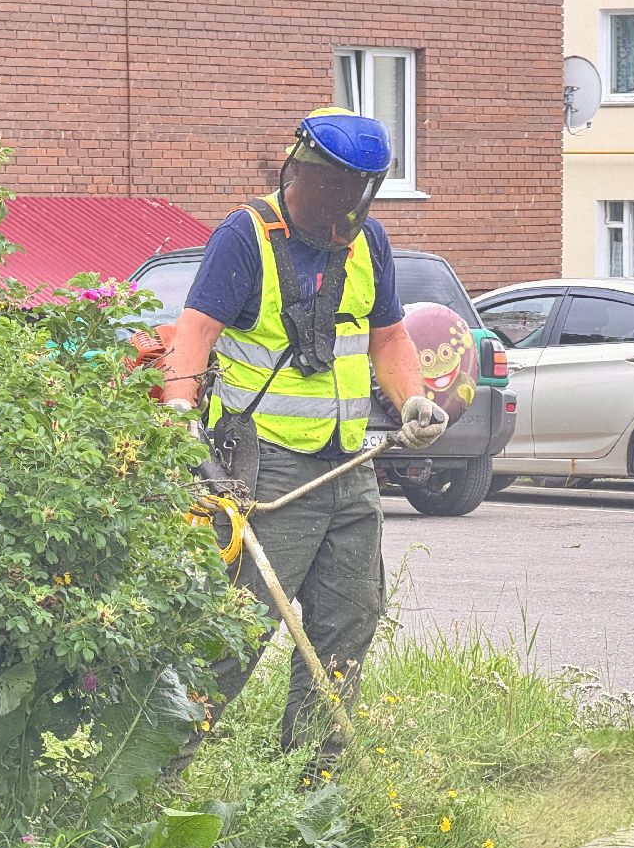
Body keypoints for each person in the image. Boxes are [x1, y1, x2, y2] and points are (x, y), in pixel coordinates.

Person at [159, 106, 447, 765]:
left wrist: (413, 403)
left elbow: (389, 339)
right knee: (237, 633)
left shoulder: (367, 243)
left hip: (348, 468)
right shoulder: (247, 237)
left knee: (348, 624)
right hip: (267, 472)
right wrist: (180, 421)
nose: (347, 204)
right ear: (304, 173)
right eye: (336, 188)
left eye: (359, 191)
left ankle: (315, 789)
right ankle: (153, 775)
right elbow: (194, 334)